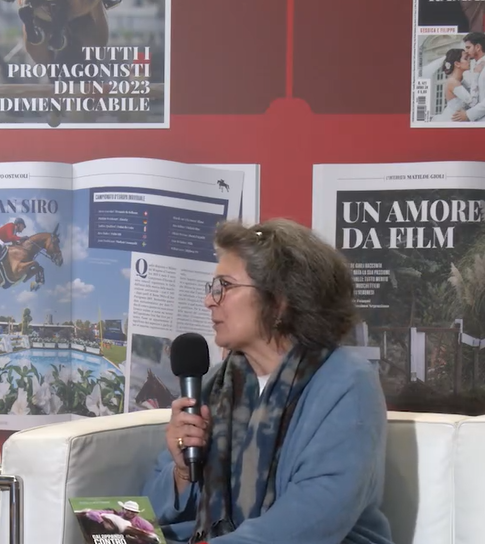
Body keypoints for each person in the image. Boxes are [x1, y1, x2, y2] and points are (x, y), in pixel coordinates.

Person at [141, 219, 393, 544]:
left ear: (279, 301)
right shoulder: (219, 383)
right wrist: (182, 472)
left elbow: (312, 518)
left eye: (225, 286)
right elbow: (149, 510)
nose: (209, 301)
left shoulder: (348, 381)